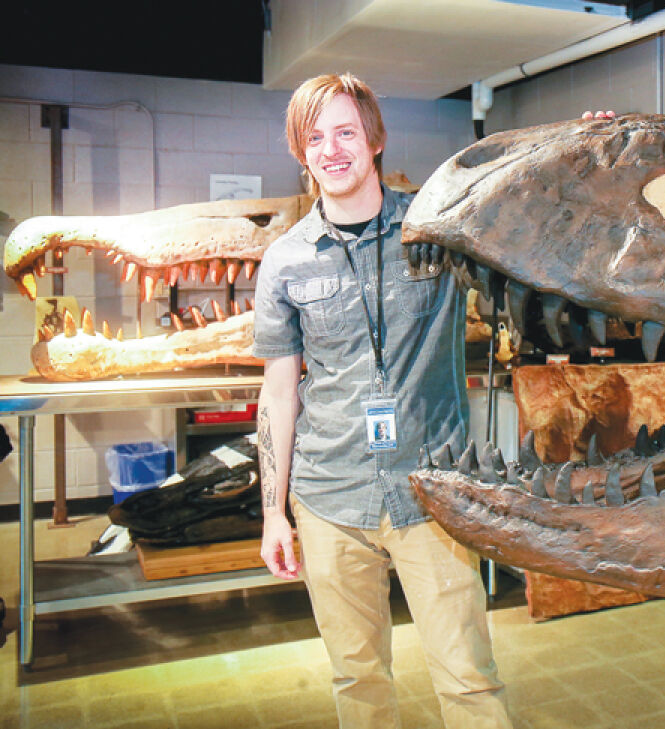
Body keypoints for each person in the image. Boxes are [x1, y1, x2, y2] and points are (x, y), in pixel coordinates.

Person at [253, 72, 512, 729]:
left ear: (373, 140)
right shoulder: (283, 261)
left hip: (431, 493)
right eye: (315, 137)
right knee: (358, 682)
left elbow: (527, 216)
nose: (332, 148)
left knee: (469, 681)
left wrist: (587, 146)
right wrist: (273, 513)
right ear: (299, 151)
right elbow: (279, 390)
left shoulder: (435, 230)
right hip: (329, 499)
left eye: (345, 131)